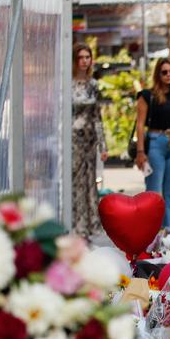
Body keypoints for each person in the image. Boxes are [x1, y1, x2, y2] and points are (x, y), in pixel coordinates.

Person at [133, 58, 170, 231]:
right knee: (154, 192)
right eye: (164, 72)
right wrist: (141, 151)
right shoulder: (147, 95)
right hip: (156, 142)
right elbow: (140, 125)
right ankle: (152, 231)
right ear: (158, 74)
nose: (168, 75)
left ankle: (169, 229)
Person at [70, 43, 106, 237]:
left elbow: (97, 116)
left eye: (88, 57)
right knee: (75, 181)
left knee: (90, 181)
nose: (85, 61)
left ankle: (90, 224)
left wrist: (103, 144)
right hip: (72, 138)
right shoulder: (67, 83)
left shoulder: (93, 85)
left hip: (89, 138)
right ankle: (76, 223)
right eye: (81, 57)